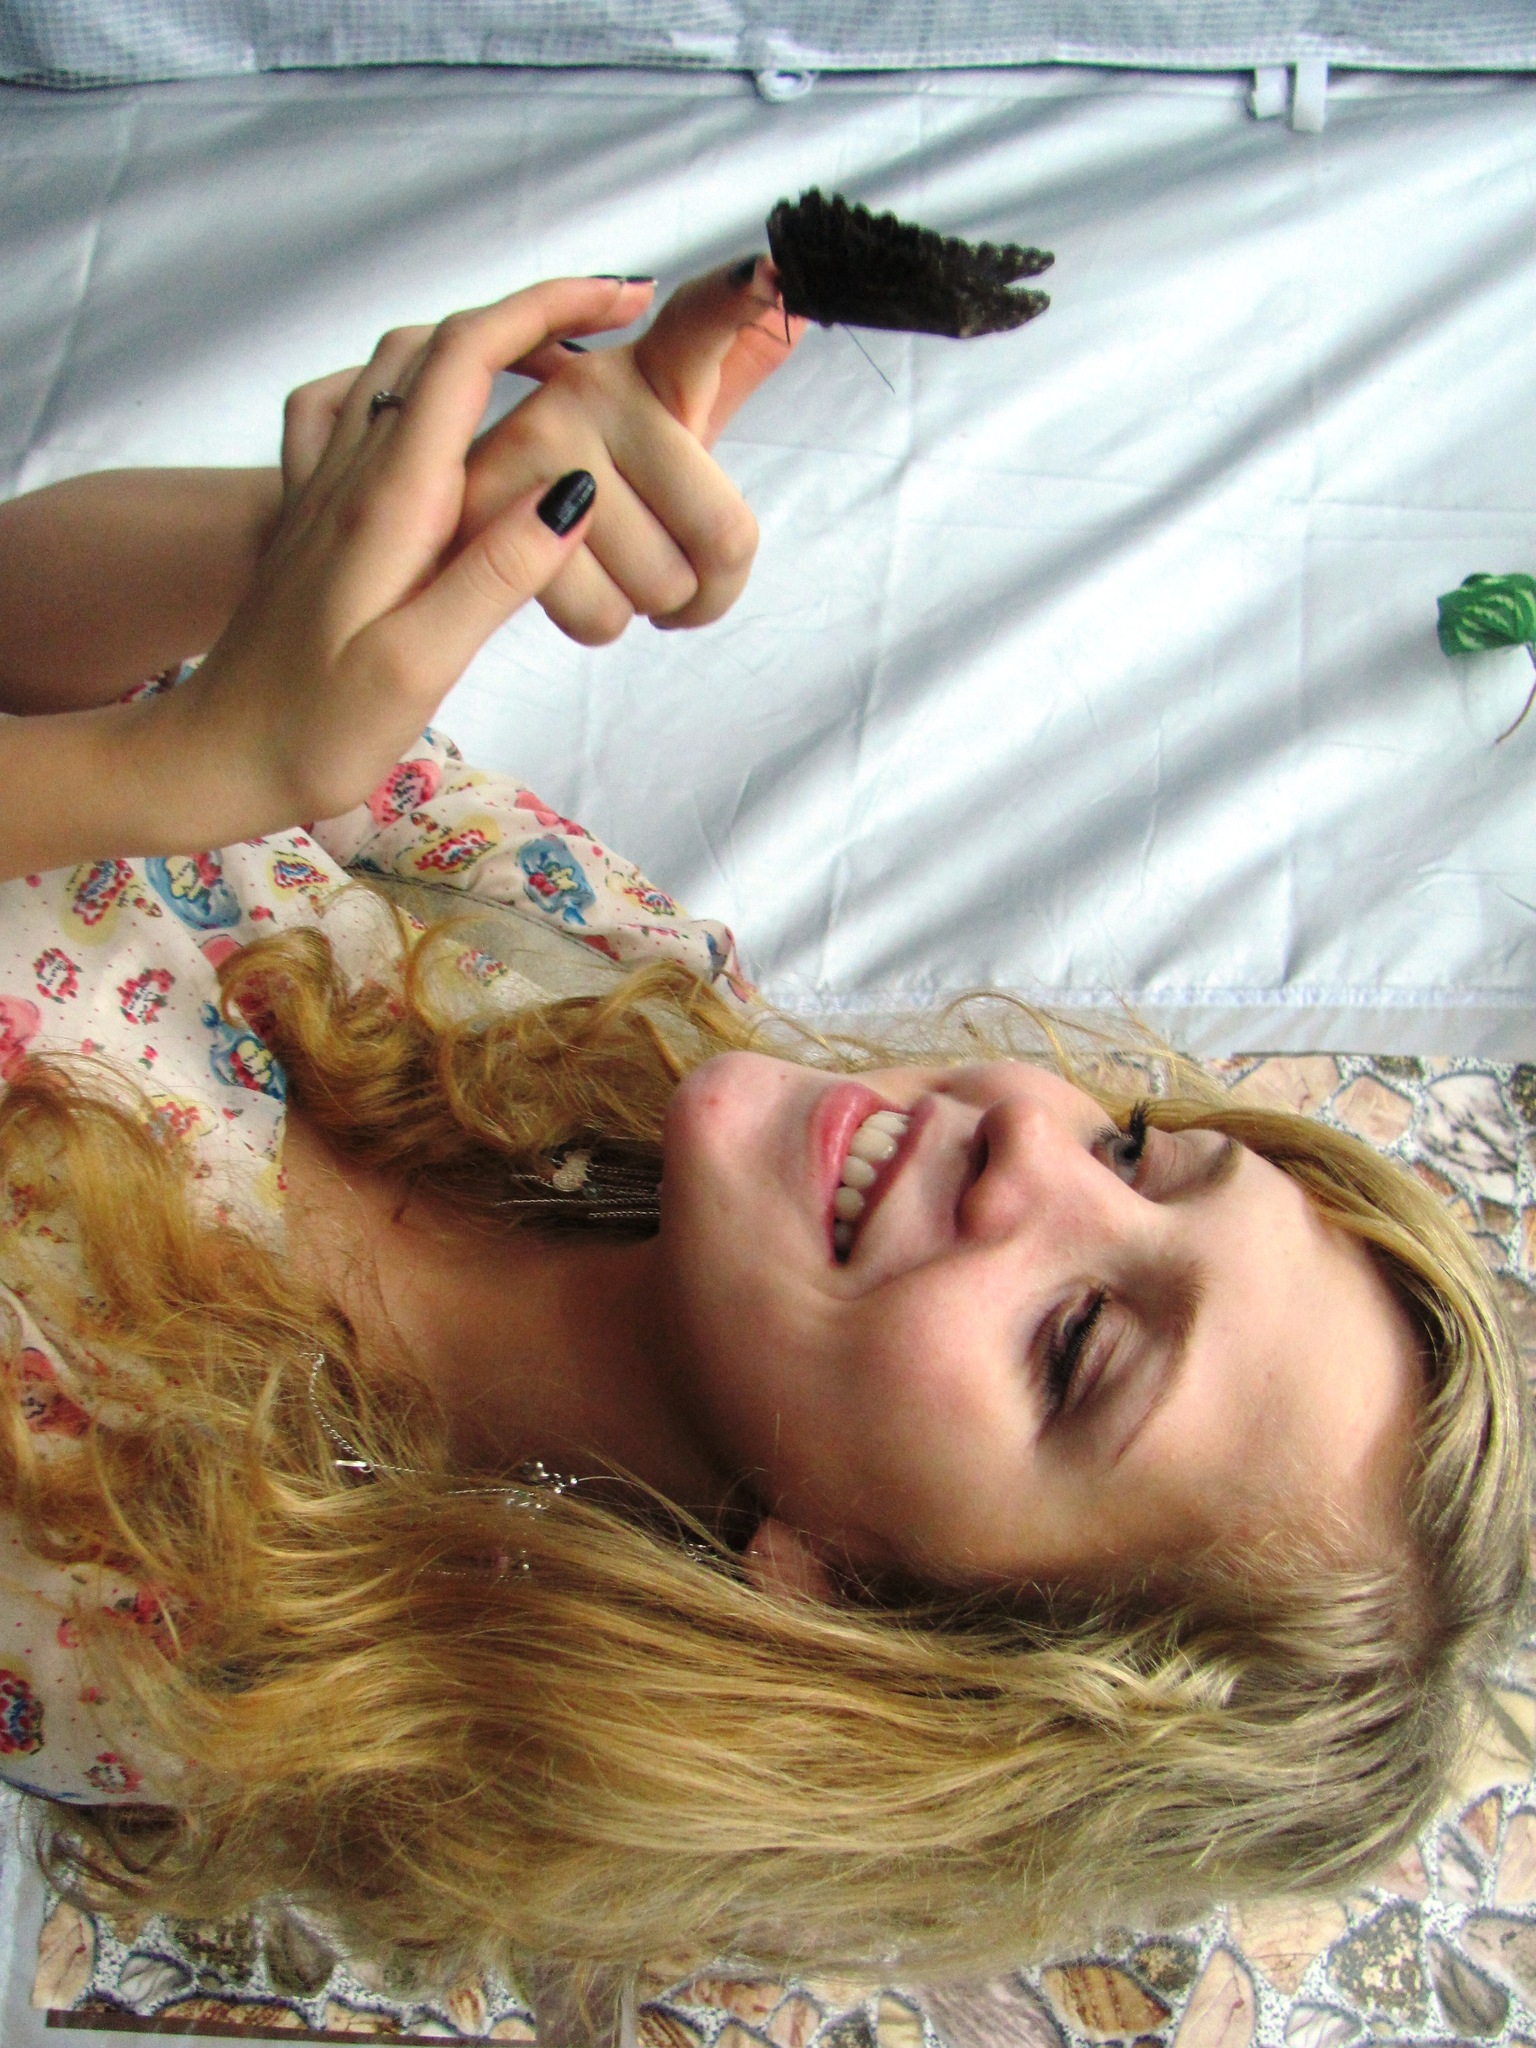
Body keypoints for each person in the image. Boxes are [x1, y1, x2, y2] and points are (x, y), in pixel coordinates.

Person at [0, 262, 1527, 2001]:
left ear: (866, 1617)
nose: (1027, 1148)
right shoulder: (622, 989)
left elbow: (183, 757)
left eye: (1078, 1343)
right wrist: (355, 548)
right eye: (1135, 1156)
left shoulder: (176, 1616)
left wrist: (176, 776)